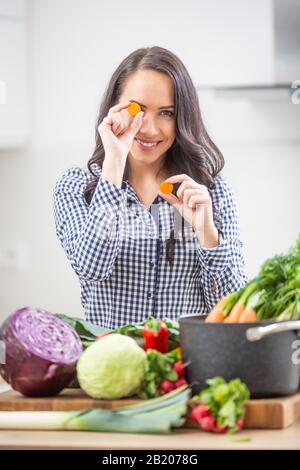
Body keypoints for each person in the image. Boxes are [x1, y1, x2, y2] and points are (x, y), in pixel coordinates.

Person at [53, 46, 248, 329]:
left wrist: (208, 235)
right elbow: (92, 268)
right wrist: (115, 160)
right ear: (113, 108)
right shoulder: (76, 186)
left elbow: (233, 309)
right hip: (113, 365)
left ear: (181, 118)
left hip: (183, 366)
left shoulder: (211, 192)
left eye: (166, 113)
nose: (150, 129)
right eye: (137, 109)